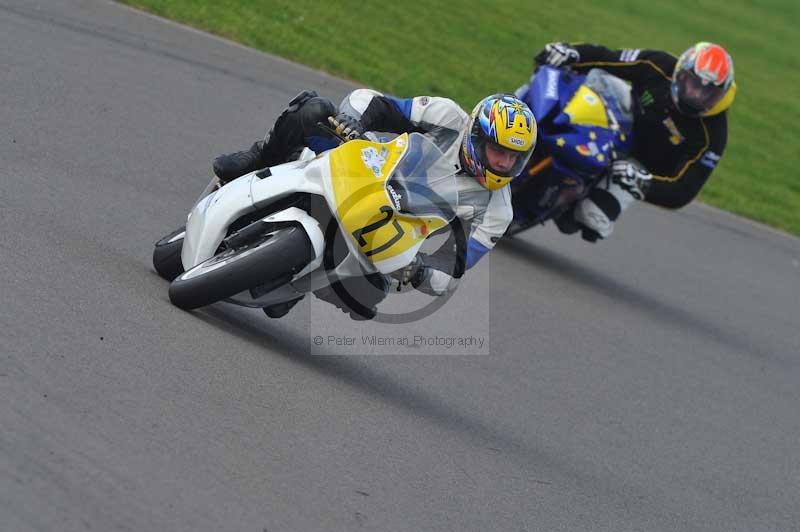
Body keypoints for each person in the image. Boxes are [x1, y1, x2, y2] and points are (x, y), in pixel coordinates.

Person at [212, 89, 537, 318]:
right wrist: (353, 121)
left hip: (386, 235)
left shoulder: (497, 211)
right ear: (476, 136)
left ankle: (299, 285)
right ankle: (257, 158)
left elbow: (452, 269)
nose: (505, 164)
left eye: (514, 157)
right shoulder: (447, 117)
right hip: (361, 167)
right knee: (313, 109)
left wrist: (420, 272)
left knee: (371, 292)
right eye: (499, 151)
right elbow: (372, 101)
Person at [531, 41, 735, 240]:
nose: (696, 95)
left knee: (592, 217)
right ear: (680, 73)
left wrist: (644, 182)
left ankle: (570, 202)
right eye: (693, 84)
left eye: (708, 92)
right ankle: (520, 117)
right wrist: (572, 52)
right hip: (621, 120)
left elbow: (684, 190)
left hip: (639, 166)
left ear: (721, 94)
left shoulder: (713, 134)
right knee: (578, 76)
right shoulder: (658, 65)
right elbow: (606, 58)